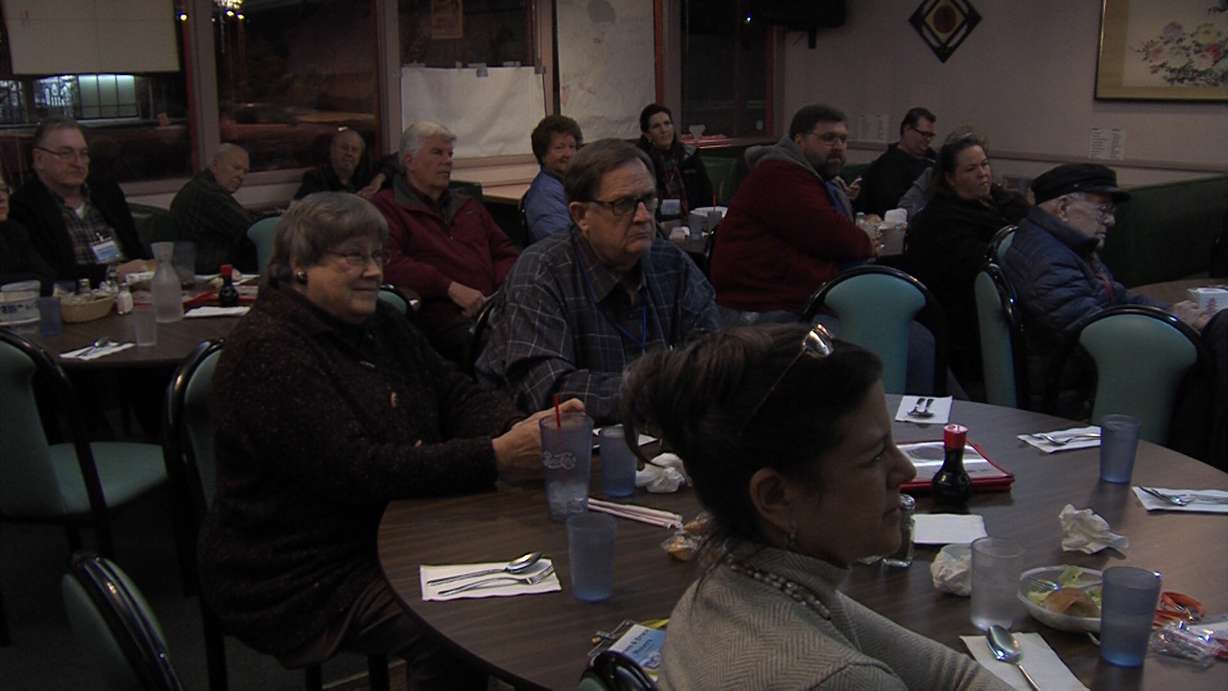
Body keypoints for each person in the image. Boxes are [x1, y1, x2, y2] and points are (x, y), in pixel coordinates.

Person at [198, 192, 580, 688]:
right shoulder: (268, 351)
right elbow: (358, 469)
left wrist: (516, 428)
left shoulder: (380, 322)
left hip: (395, 525)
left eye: (378, 255)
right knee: (454, 629)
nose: (374, 271)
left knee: (537, 558)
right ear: (298, 266)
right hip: (296, 569)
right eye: (352, 257)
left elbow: (453, 393)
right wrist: (495, 456)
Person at [621, 324, 1008, 690]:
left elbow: (954, 675)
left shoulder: (724, 584)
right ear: (775, 496)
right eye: (875, 456)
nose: (905, 469)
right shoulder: (835, 679)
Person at [476, 139, 720, 424]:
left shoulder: (671, 263)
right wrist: (661, 390)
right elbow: (549, 390)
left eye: (648, 199)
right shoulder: (542, 272)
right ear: (581, 215)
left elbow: (711, 356)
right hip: (565, 441)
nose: (643, 216)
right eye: (623, 204)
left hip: (657, 428)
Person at [1001, 163, 1211, 411]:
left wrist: (1170, 313)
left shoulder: (1065, 244)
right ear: (1063, 208)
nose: (1111, 221)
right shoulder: (1047, 260)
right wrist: (1171, 325)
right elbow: (1094, 334)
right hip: (1075, 394)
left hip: (1086, 377)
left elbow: (1116, 296)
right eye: (1103, 210)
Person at [710, 104, 874, 322]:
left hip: (788, 300)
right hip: (758, 309)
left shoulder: (811, 178)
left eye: (843, 140)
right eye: (828, 138)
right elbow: (837, 236)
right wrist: (867, 241)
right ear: (799, 141)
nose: (838, 147)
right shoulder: (780, 175)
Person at [372, 121, 519, 363]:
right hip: (442, 318)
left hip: (495, 307)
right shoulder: (386, 207)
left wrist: (502, 292)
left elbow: (504, 252)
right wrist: (449, 287)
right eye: (437, 153)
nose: (448, 161)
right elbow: (389, 262)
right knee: (511, 352)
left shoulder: (467, 205)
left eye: (450, 154)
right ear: (409, 161)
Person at [904, 132, 1028, 383]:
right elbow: (980, 266)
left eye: (984, 165)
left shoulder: (1001, 204)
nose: (983, 173)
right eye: (971, 169)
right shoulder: (941, 221)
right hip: (965, 324)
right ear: (950, 179)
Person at [11, 117, 148, 287]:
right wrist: (111, 273)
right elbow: (49, 273)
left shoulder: (106, 191)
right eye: (66, 153)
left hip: (133, 290)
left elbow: (136, 252)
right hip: (74, 298)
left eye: (83, 153)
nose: (78, 163)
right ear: (39, 159)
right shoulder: (23, 206)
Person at [170, 143, 259, 273]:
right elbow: (249, 227)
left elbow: (241, 216)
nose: (241, 176)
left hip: (202, 265)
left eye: (245, 172)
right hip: (205, 270)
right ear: (215, 165)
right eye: (236, 168)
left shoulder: (201, 186)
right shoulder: (206, 192)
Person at [856, 107, 937, 217]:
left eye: (931, 135)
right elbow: (890, 208)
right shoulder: (886, 166)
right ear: (907, 129)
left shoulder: (934, 159)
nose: (928, 140)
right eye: (923, 134)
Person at [636, 104, 712, 220]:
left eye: (667, 124)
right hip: (657, 222)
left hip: (694, 220)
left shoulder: (689, 156)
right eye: (656, 126)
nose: (664, 130)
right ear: (647, 134)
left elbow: (707, 195)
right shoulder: (642, 163)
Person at [523, 114, 583, 243]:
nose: (568, 154)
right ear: (543, 155)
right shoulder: (545, 195)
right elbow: (563, 244)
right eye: (559, 148)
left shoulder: (569, 183)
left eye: (572, 147)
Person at [294, 128, 395, 200]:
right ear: (332, 151)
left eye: (354, 150)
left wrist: (379, 178)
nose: (349, 153)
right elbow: (299, 207)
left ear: (360, 156)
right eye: (344, 148)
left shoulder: (367, 172)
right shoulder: (316, 178)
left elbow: (397, 160)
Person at [0, 172, 56, 292]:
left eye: (3, 189)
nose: (2, 198)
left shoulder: (13, 230)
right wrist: (31, 280)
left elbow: (47, 277)